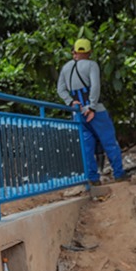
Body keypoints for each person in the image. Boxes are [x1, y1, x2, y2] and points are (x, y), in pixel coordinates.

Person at [56, 38, 125, 186]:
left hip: (77, 112)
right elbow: (95, 86)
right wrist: (92, 107)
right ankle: (119, 175)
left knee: (86, 147)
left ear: (74, 52)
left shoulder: (66, 68)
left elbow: (60, 89)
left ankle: (93, 179)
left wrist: (70, 102)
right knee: (110, 143)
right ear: (89, 52)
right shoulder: (91, 65)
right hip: (95, 111)